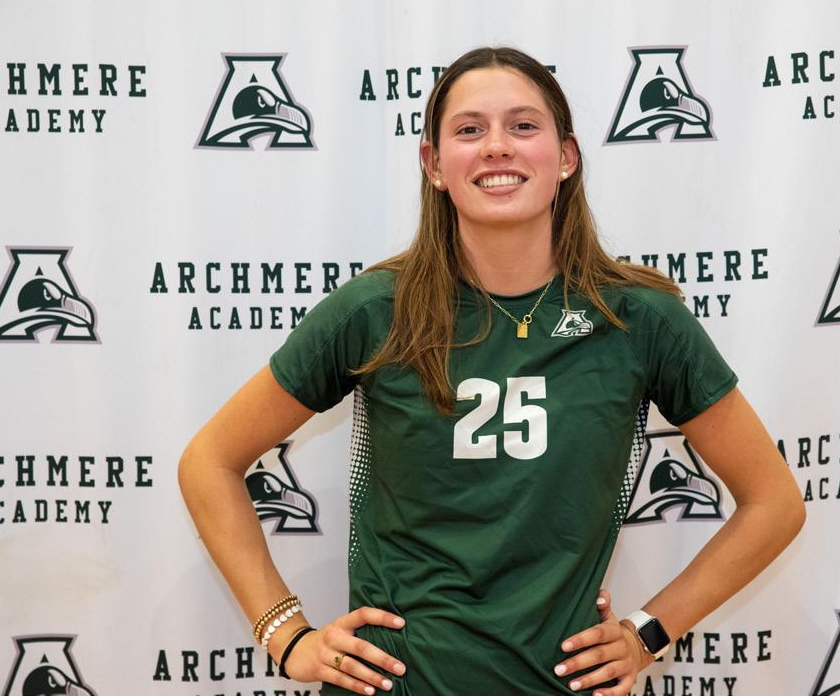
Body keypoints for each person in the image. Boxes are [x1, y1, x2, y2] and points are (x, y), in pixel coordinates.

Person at [178, 46, 805, 696]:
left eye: (523, 126)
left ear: (566, 156)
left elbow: (774, 503)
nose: (497, 146)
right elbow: (209, 461)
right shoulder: (375, 311)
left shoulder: (638, 319)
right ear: (434, 164)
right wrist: (286, 635)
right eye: (470, 129)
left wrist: (647, 632)